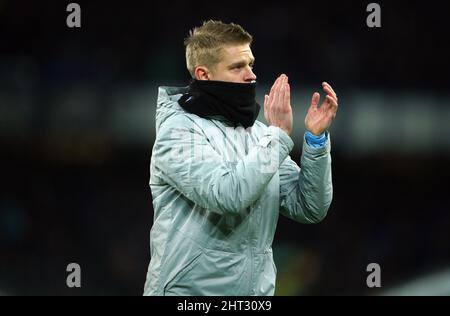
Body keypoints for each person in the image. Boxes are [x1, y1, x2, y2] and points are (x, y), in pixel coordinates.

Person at [143, 20, 338, 296]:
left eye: (251, 64)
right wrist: (279, 135)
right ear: (204, 74)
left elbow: (309, 207)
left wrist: (316, 141)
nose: (250, 75)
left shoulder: (259, 135)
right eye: (237, 67)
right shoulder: (178, 133)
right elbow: (227, 195)